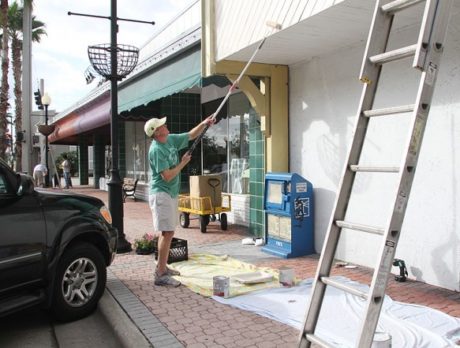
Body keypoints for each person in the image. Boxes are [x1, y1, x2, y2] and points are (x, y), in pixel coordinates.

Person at [145, 115, 215, 287]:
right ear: (157, 132)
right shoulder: (156, 150)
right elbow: (167, 176)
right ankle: (160, 274)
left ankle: (163, 267)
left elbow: (191, 135)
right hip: (161, 193)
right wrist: (183, 163)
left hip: (170, 193)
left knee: (169, 232)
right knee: (166, 233)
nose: (165, 125)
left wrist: (204, 123)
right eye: (162, 125)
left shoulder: (169, 139)